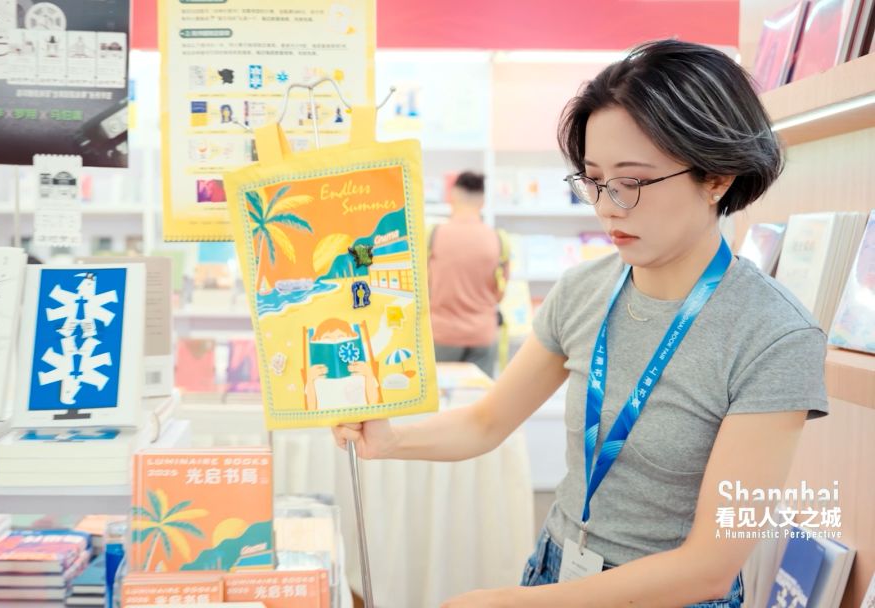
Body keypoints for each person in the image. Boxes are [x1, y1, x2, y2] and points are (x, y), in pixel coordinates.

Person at [334, 40, 828, 608]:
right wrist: (391, 439)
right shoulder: (583, 291)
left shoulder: (774, 336)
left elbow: (709, 568)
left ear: (717, 177)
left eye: (632, 182)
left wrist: (509, 604)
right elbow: (486, 422)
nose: (607, 205)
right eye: (593, 179)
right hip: (556, 570)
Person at [427, 171, 509, 377]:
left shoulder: (434, 236)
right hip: (482, 334)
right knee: (479, 395)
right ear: (482, 201)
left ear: (452, 196)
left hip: (442, 334)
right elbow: (500, 293)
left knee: (441, 394)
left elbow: (425, 286)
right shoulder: (497, 239)